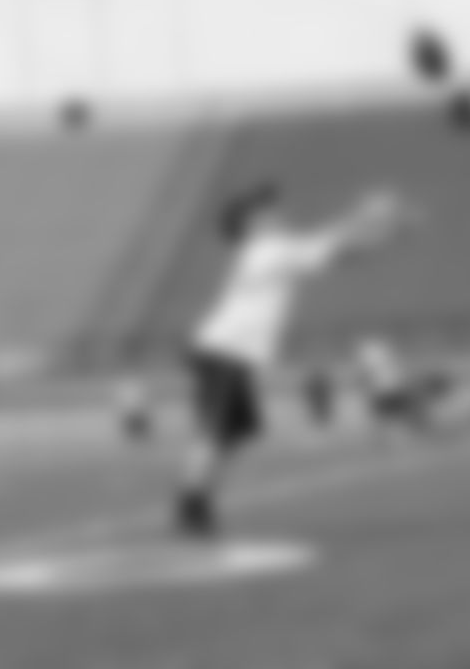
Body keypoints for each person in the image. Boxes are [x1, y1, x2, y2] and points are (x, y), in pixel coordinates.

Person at [173, 181, 413, 538]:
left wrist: (383, 228)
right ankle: (192, 504)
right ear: (250, 223)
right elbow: (335, 242)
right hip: (224, 350)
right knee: (215, 430)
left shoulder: (272, 250)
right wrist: (369, 215)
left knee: (235, 432)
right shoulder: (268, 250)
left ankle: (198, 499)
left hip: (229, 352)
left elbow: (340, 253)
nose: (276, 213)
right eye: (265, 211)